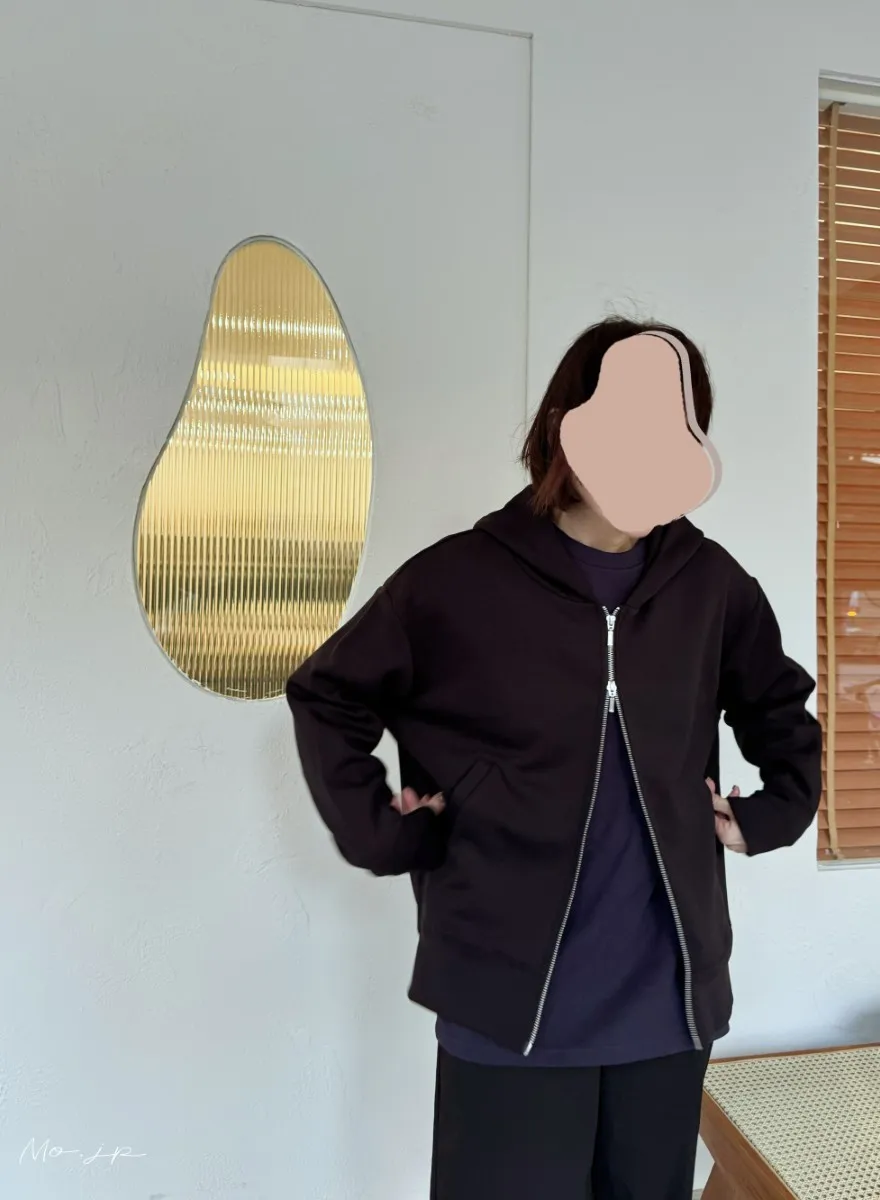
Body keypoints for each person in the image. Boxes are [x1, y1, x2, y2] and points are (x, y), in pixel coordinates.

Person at [286, 316, 822, 1200]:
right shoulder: (458, 580)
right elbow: (328, 693)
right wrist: (382, 832)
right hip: (509, 1006)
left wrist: (770, 812)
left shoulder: (710, 586)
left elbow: (779, 707)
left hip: (667, 1009)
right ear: (566, 427)